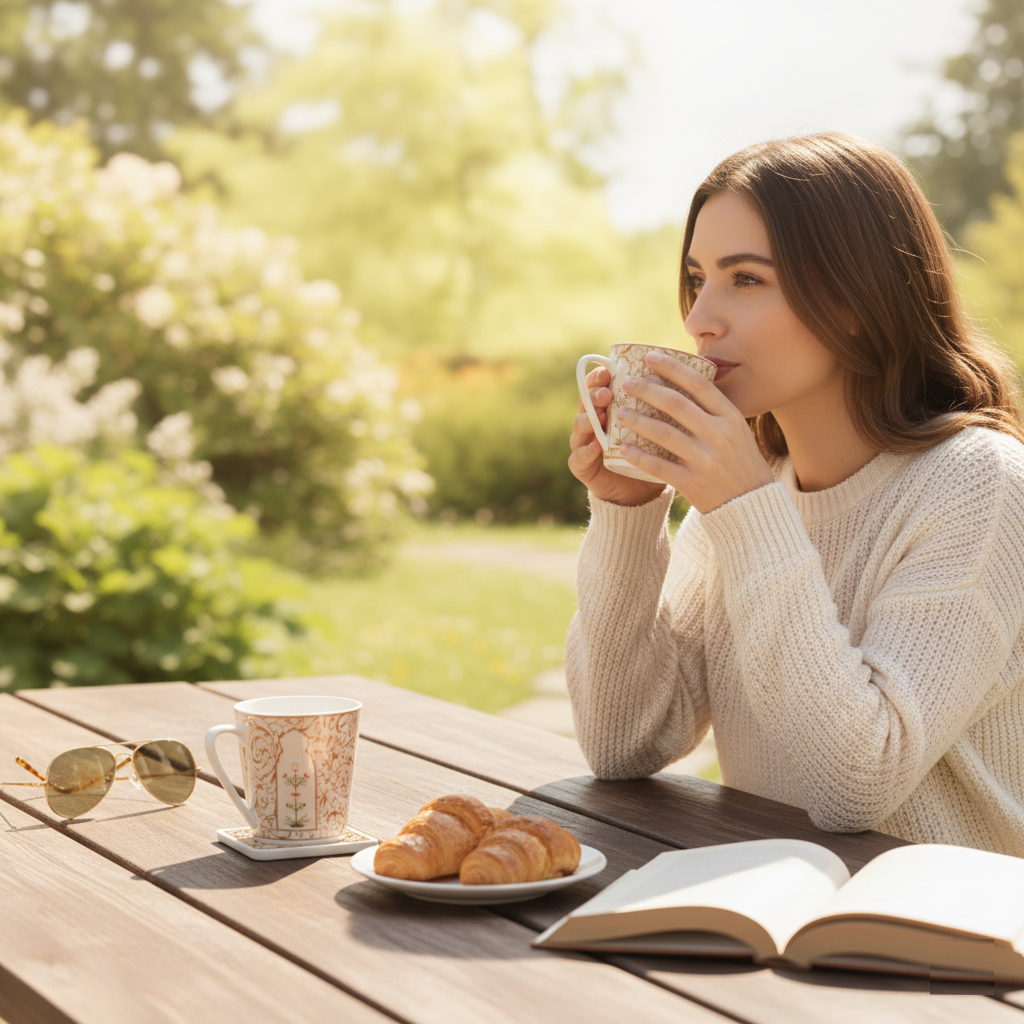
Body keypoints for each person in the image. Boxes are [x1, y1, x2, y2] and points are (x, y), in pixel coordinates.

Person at [566, 131, 1024, 856]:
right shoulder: (747, 495)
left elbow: (854, 788)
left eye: (745, 279)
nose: (698, 319)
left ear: (854, 300)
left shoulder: (978, 484)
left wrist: (745, 509)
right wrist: (628, 513)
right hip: (769, 911)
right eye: (696, 279)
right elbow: (625, 744)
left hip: (943, 946)